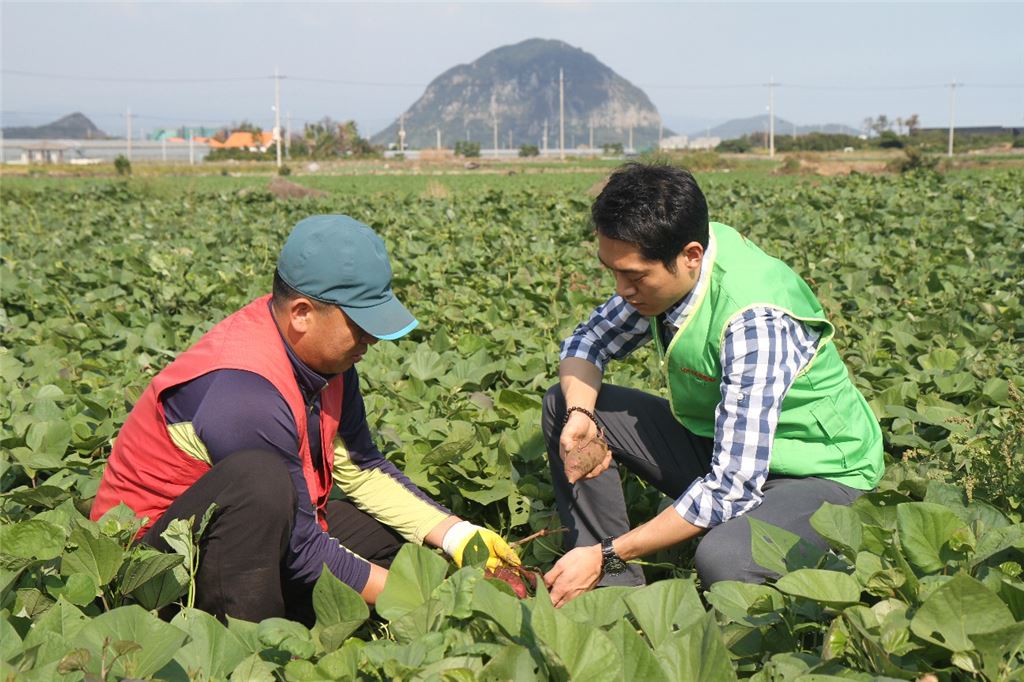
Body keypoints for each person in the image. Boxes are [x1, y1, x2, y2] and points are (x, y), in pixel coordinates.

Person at [91, 214, 519, 624]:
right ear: (301, 313)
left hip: (260, 533)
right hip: (158, 572)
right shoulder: (243, 391)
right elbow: (298, 547)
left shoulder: (327, 362)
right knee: (260, 480)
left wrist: (455, 534)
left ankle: (303, 619)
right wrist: (416, 599)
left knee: (396, 546)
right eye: (360, 323)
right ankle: (246, 643)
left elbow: (362, 469)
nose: (371, 339)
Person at [542, 163, 883, 607]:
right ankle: (609, 590)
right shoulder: (672, 259)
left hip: (816, 471)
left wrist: (609, 553)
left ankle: (601, 561)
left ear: (691, 256)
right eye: (613, 271)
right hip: (724, 446)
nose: (621, 289)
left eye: (635, 276)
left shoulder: (754, 322)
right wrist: (582, 416)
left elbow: (731, 487)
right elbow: (587, 343)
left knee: (725, 558)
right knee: (564, 403)